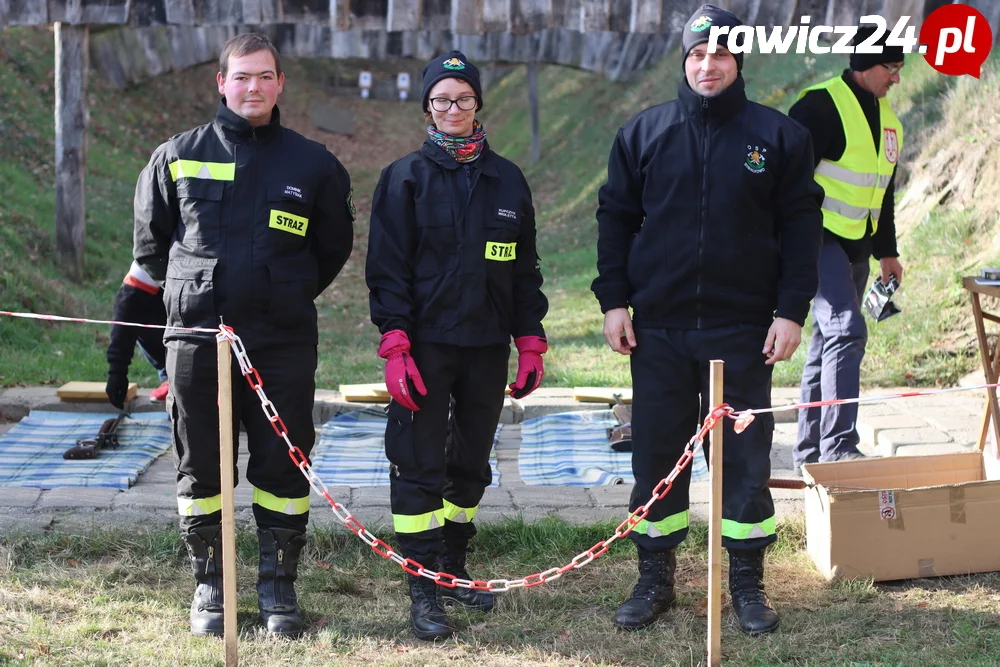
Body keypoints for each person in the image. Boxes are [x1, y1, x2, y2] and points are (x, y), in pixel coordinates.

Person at [591, 4, 823, 635]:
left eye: (719, 54)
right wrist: (614, 301)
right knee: (657, 460)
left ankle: (748, 586)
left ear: (738, 61)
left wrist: (789, 313)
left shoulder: (779, 138)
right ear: (684, 60)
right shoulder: (644, 133)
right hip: (659, 330)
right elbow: (614, 220)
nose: (707, 65)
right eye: (696, 54)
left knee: (744, 461)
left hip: (745, 332)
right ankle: (654, 581)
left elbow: (802, 231)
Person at [132, 33, 355, 638]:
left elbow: (332, 249)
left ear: (280, 83)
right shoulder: (176, 156)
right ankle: (211, 586)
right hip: (196, 339)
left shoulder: (313, 165)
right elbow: (151, 251)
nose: (252, 87)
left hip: (281, 342)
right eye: (241, 77)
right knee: (201, 465)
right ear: (221, 83)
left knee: (284, 464)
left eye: (264, 76)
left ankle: (278, 588)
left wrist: (279, 292)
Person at [366, 50, 548, 641]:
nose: (452, 109)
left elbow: (523, 269)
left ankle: (453, 566)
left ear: (477, 107)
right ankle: (422, 588)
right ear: (427, 107)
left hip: (486, 346)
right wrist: (395, 344)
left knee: (469, 464)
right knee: (417, 464)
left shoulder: (507, 180)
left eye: (463, 100)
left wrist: (530, 339)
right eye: (442, 100)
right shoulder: (404, 180)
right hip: (424, 347)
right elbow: (387, 268)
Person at [791, 28, 905, 472]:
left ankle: (809, 454)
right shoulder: (818, 107)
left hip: (857, 245)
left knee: (828, 343)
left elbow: (885, 192)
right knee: (845, 328)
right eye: (889, 68)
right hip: (817, 239)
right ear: (863, 65)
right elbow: (786, 178)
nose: (895, 78)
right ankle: (839, 448)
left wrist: (887, 252)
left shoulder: (889, 118)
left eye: (899, 69)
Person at [105, 261, 170, 409]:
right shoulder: (158, 251)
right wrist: (117, 370)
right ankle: (173, 376)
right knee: (141, 305)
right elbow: (128, 304)